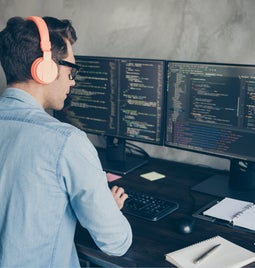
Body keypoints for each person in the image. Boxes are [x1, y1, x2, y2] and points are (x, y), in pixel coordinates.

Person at [0, 16, 132, 267]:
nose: (72, 81)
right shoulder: (66, 142)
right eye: (71, 70)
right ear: (45, 69)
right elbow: (115, 243)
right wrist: (106, 209)